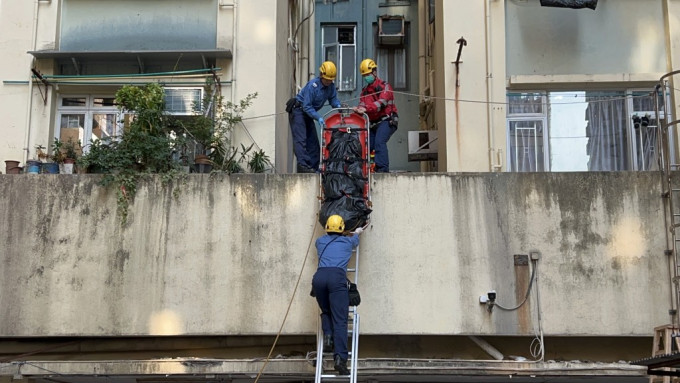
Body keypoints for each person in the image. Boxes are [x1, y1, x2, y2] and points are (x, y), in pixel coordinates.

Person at [312, 215, 364, 375]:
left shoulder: (319, 242)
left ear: (327, 227)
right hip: (337, 278)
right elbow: (355, 237)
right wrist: (358, 231)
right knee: (340, 321)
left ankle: (328, 337)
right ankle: (340, 360)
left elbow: (328, 238)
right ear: (342, 228)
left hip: (319, 278)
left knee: (326, 311)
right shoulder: (348, 242)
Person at [289, 61, 342, 173]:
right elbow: (306, 106)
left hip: (309, 114)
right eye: (327, 79)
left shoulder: (330, 87)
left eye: (331, 79)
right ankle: (303, 166)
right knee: (301, 139)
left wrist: (338, 105)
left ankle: (314, 167)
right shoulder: (313, 86)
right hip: (299, 110)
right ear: (321, 75)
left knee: (313, 142)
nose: (328, 81)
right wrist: (318, 117)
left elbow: (333, 99)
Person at [353, 58, 399, 173]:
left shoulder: (384, 87)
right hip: (373, 124)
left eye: (368, 74)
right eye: (364, 75)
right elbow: (362, 105)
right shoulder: (364, 92)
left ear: (374, 72)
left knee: (379, 142)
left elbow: (380, 104)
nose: (366, 77)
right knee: (366, 145)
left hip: (387, 120)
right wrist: (357, 110)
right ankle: (362, 170)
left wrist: (365, 109)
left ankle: (382, 171)